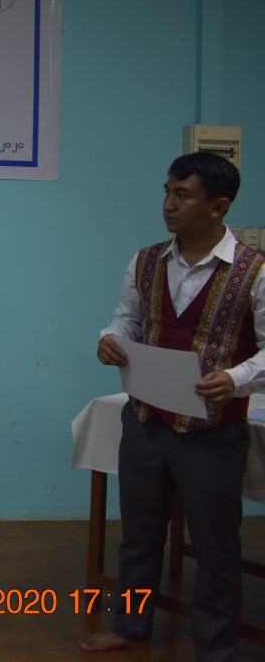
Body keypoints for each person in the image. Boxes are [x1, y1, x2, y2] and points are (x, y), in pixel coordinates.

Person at [83, 151, 265, 661]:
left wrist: (235, 378)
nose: (169, 204)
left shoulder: (254, 272)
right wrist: (109, 339)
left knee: (215, 545)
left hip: (211, 430)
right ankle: (131, 627)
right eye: (167, 192)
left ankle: (215, 648)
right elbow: (126, 319)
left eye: (183, 195)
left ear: (219, 206)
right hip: (145, 419)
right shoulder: (146, 261)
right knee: (139, 536)